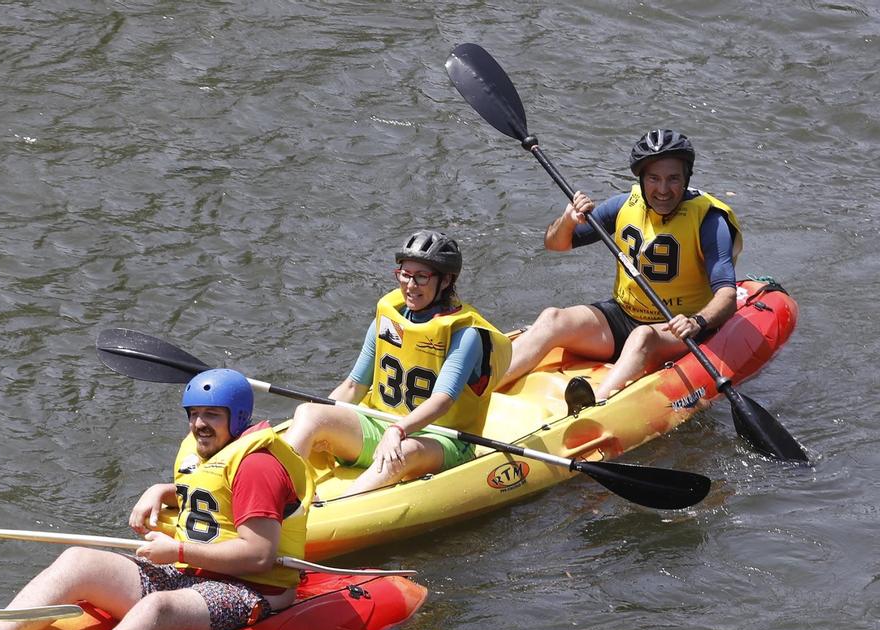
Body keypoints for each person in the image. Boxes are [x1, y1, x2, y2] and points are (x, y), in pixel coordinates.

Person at [0, 369, 313, 630]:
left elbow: (258, 556)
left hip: (250, 592)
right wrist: (162, 491)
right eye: (193, 413)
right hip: (195, 574)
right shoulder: (208, 452)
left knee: (157, 608)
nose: (199, 424)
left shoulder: (257, 467)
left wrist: (177, 551)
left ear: (237, 417)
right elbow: (214, 498)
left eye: (211, 414)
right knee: (79, 560)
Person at [500, 130, 741, 405]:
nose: (663, 189)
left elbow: (728, 296)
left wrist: (696, 321)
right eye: (654, 178)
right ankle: (484, 387)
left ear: (686, 178)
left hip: (677, 329)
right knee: (552, 317)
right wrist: (568, 220)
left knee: (642, 337)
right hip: (624, 315)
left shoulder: (710, 221)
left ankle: (592, 408)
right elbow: (556, 244)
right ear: (641, 178)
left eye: (673, 178)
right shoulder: (623, 206)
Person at [282, 230, 513, 499]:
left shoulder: (465, 333)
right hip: (381, 424)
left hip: (443, 440)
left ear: (446, 280)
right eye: (405, 273)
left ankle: (333, 511)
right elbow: (354, 385)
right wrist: (322, 419)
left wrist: (398, 430)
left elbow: (442, 400)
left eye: (422, 277)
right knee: (310, 413)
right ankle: (281, 489)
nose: (410, 285)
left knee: (402, 452)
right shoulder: (388, 316)